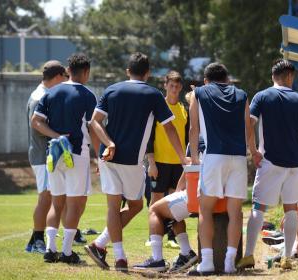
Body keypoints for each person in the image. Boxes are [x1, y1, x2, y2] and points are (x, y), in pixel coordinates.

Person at [84, 52, 187, 271]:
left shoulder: (112, 89)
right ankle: (109, 251)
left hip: (108, 156)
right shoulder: (153, 94)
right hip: (131, 160)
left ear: (127, 71)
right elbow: (168, 127)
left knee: (113, 207)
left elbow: (94, 122)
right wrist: (182, 158)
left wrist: (108, 144)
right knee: (136, 205)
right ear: (148, 73)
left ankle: (106, 248)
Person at [238, 59, 298, 270]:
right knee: (291, 210)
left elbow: (249, 123)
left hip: (270, 160)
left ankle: (248, 256)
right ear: (290, 76)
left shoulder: (263, 96)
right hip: (295, 163)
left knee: (258, 207)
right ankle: (287, 258)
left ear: (273, 76)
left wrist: (253, 150)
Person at [187, 63, 253, 275]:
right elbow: (248, 127)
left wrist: (195, 158)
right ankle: (229, 262)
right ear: (227, 79)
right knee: (235, 212)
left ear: (206, 80)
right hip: (239, 157)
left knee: (204, 208)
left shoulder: (198, 93)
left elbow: (193, 128)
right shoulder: (242, 94)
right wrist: (251, 151)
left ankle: (206, 262)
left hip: (213, 156)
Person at [31, 53, 97, 264]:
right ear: (86, 72)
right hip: (76, 153)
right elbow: (93, 127)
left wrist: (56, 136)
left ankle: (51, 250)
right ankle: (67, 252)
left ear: (68, 70)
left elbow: (36, 121)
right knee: (75, 204)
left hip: (54, 152)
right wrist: (98, 156)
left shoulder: (51, 92)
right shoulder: (87, 94)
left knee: (56, 203)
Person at [133, 140, 206, 273]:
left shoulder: (197, 140)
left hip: (199, 194)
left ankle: (157, 260)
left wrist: (178, 192)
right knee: (171, 212)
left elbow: (189, 169)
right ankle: (186, 254)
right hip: (220, 195)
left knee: (154, 209)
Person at [26, 61, 67, 254]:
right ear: (58, 76)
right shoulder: (40, 96)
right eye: (64, 77)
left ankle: (36, 239)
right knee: (45, 197)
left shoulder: (42, 93)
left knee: (49, 196)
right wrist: (58, 135)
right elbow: (37, 124)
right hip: (42, 155)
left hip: (44, 154)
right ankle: (37, 240)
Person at [148, 70, 188, 248]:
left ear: (180, 88)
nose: (174, 88)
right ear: (165, 85)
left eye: (177, 86)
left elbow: (186, 139)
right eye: (171, 85)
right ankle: (153, 236)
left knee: (173, 202)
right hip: (159, 162)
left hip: (178, 164)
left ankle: (172, 236)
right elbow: (149, 137)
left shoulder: (183, 109)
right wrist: (151, 162)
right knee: (156, 200)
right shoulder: (157, 108)